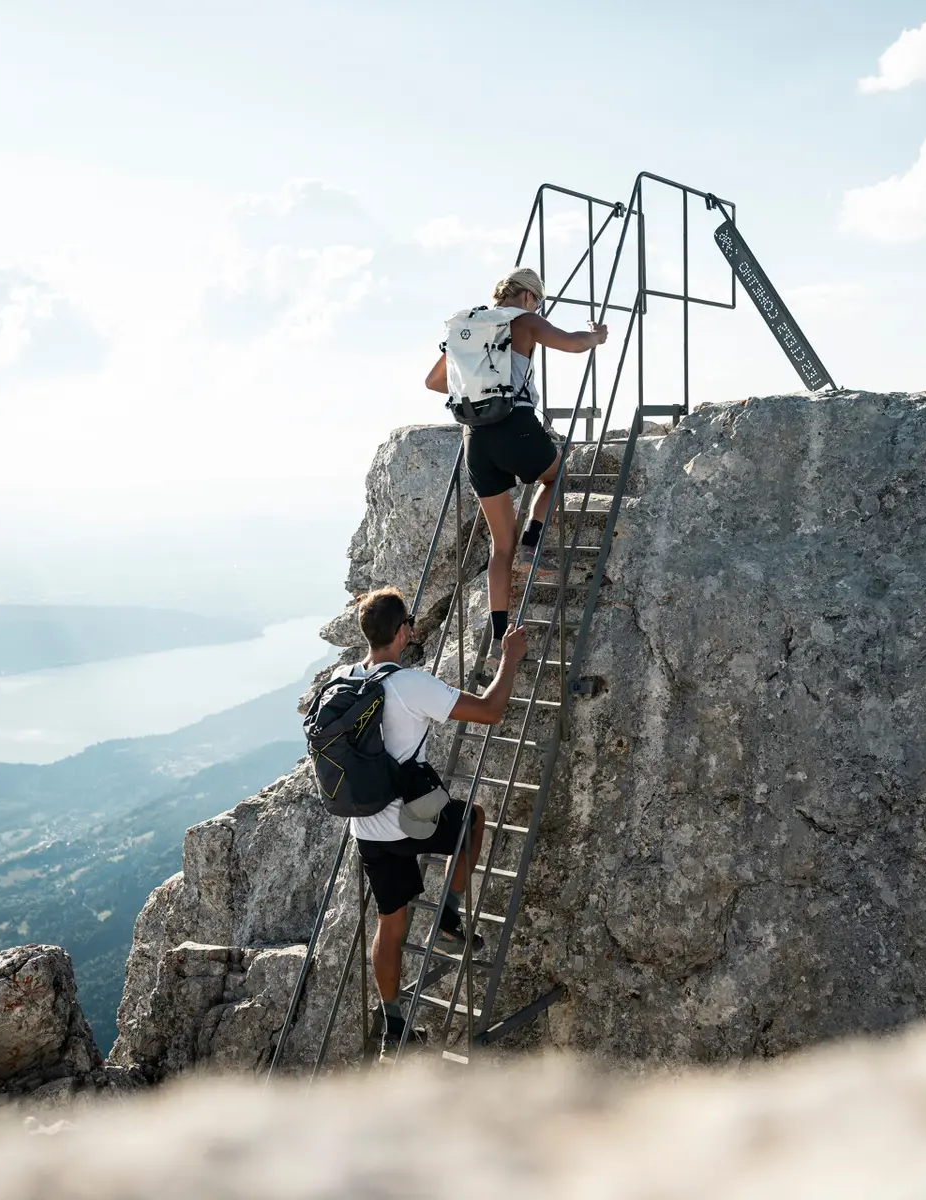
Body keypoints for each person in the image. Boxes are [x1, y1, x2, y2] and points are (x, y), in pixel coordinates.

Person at [349, 586, 526, 1060]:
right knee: (472, 821)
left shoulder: (345, 680)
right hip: (409, 819)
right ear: (404, 631)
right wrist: (509, 657)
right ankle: (449, 916)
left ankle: (393, 1025)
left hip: (367, 828)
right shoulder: (410, 684)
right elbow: (489, 711)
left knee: (391, 924)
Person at [424, 267, 608, 669]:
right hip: (517, 428)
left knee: (498, 547)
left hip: (475, 439)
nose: (537, 307)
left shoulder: (467, 328)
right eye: (538, 302)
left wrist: (476, 383)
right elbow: (574, 345)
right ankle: (534, 539)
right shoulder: (524, 321)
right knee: (557, 474)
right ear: (528, 297)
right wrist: (597, 335)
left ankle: (499, 639)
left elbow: (434, 382)